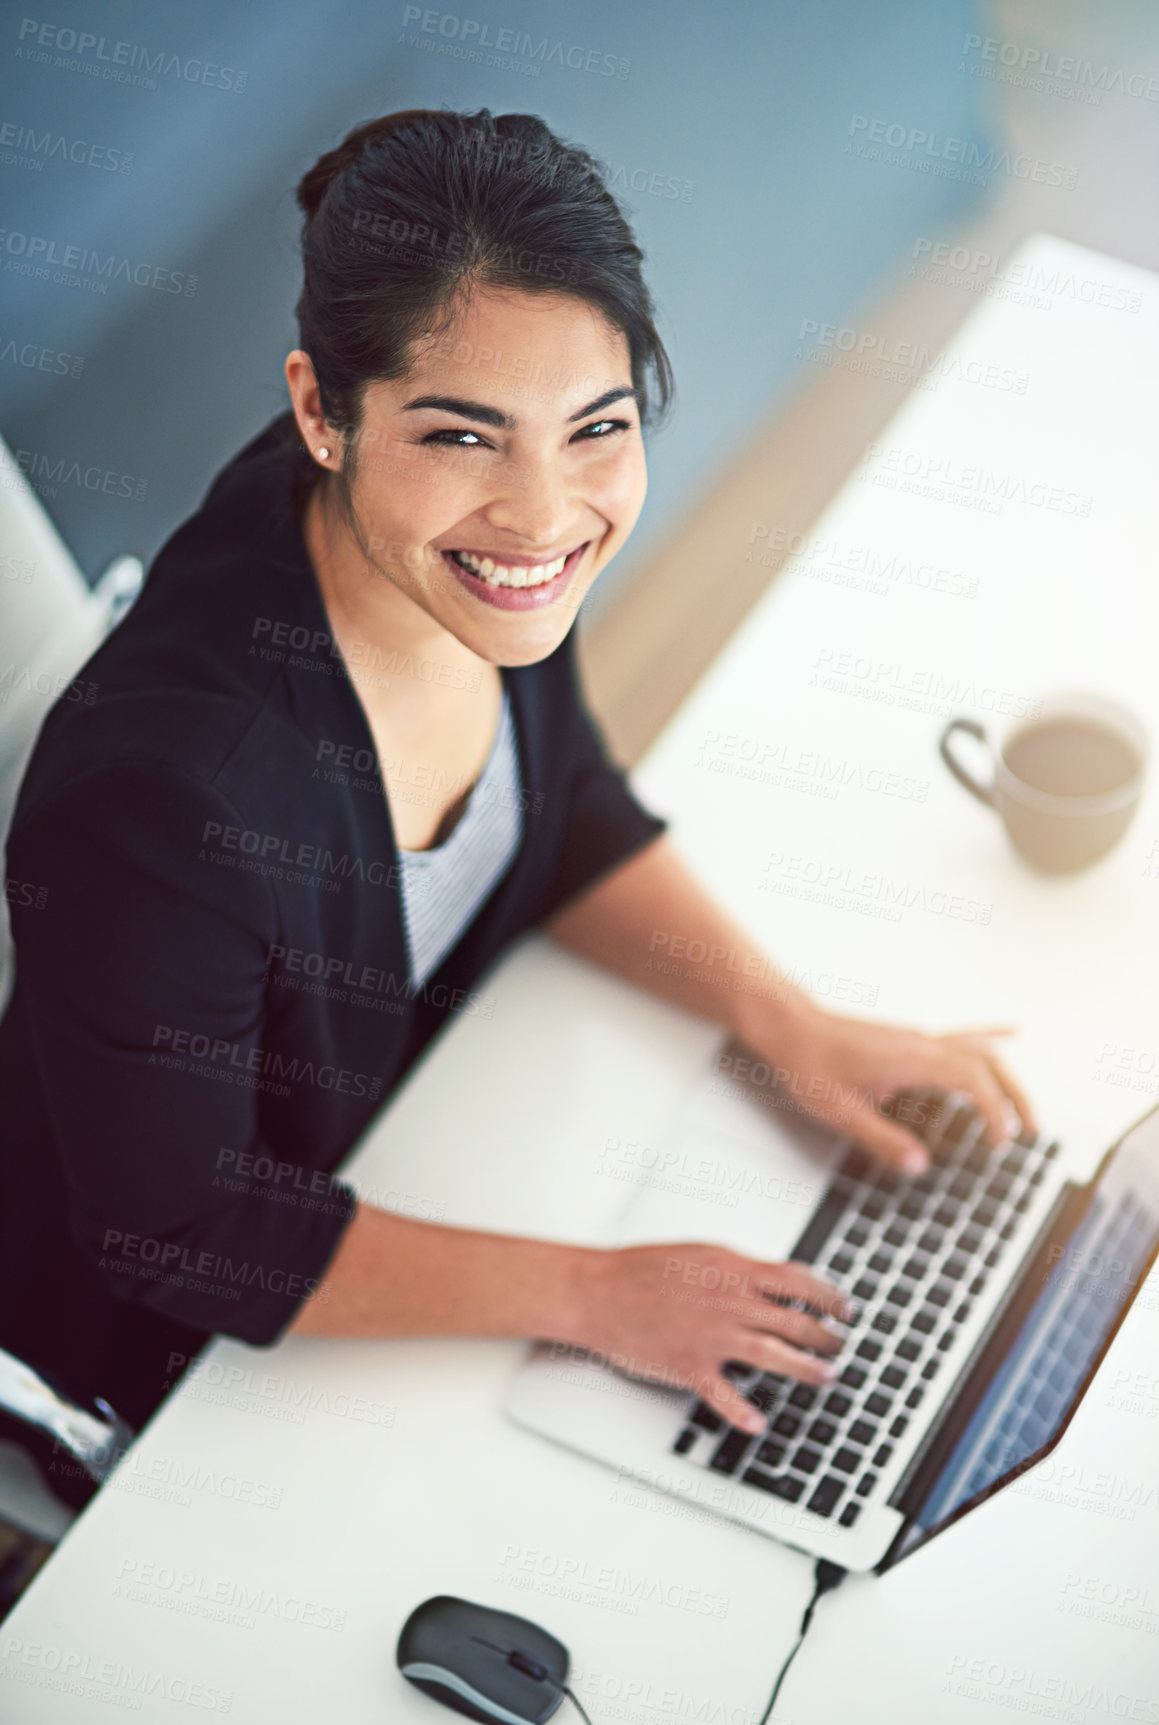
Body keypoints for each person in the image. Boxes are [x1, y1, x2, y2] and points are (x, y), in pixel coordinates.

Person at [0, 108, 1034, 1503]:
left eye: (595, 427)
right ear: (320, 411)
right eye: (466, 436)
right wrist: (599, 1296)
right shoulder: (165, 799)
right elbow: (182, 1228)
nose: (546, 514)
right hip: (182, 1366)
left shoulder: (452, 556)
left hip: (435, 1141)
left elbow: (562, 812)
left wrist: (786, 1019)